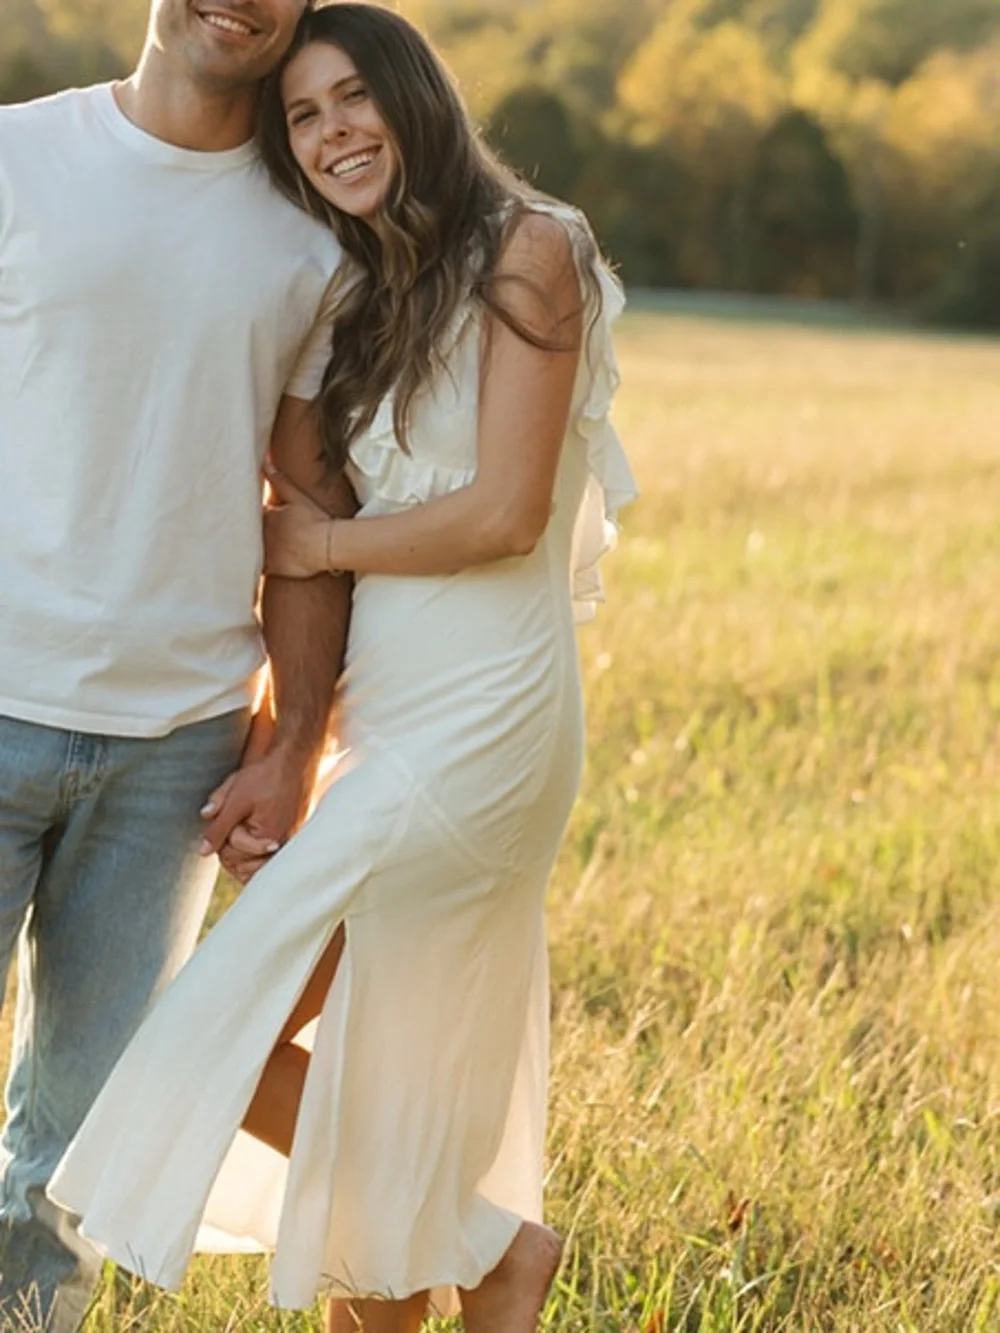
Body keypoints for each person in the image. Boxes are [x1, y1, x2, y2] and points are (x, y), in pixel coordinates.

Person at [50, 5, 637, 1331]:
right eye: (303, 117)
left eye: (353, 98)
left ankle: (491, 1245)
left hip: (486, 723)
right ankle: (473, 1265)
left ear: (414, 95)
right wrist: (292, 732)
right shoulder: (369, 288)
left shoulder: (527, 250)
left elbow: (506, 514)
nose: (331, 134)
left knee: (207, 1025)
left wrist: (314, 534)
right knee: (387, 1056)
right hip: (397, 712)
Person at [0, 1, 354, 1328]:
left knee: (72, 1163)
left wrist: (297, 739)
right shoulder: (16, 161)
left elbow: (307, 516)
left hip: (175, 758)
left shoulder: (309, 230)